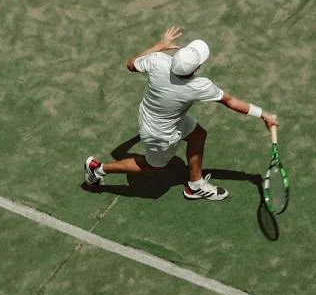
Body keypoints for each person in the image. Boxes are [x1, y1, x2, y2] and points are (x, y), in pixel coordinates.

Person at [83, 27, 278, 201]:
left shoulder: (157, 60)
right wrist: (264, 115)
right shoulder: (199, 86)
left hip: (155, 114)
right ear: (197, 69)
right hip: (160, 133)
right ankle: (98, 170)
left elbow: (131, 64)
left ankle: (195, 185)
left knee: (198, 135)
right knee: (152, 167)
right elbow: (231, 102)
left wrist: (160, 45)